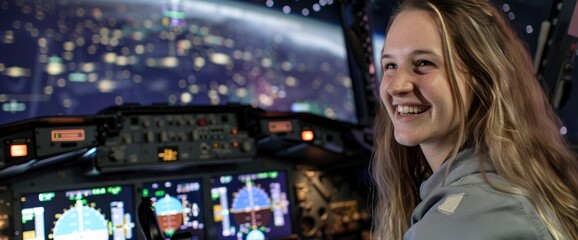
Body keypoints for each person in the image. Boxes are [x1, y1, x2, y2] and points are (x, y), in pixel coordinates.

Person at [371, 0, 578, 239]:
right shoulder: (512, 180)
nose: (397, 86)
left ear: (482, 79)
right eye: (390, 65)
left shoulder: (468, 220)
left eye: (424, 63)